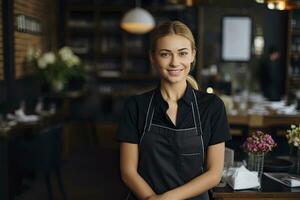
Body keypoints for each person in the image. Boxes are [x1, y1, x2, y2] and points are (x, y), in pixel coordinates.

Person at [117, 21, 231, 200]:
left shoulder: (212, 106)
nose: (174, 62)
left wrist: (165, 199)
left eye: (182, 53)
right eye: (165, 54)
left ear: (193, 55)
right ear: (153, 57)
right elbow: (128, 171)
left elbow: (214, 174)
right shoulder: (136, 106)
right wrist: (152, 198)